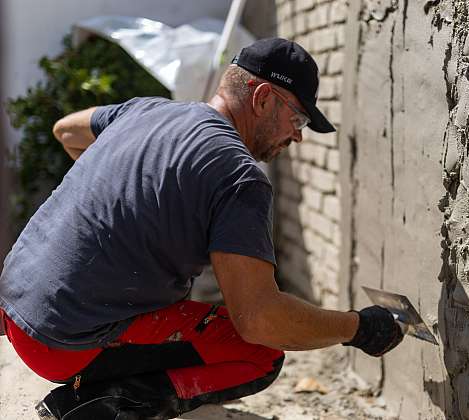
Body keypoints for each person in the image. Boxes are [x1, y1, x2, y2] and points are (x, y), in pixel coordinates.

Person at [0, 38, 403, 420]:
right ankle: (91, 407)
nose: (297, 135)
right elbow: (260, 319)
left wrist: (121, 184)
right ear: (263, 98)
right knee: (260, 354)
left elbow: (66, 130)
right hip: (62, 343)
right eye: (297, 118)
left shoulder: (147, 110)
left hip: (16, 310)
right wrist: (357, 327)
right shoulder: (238, 176)